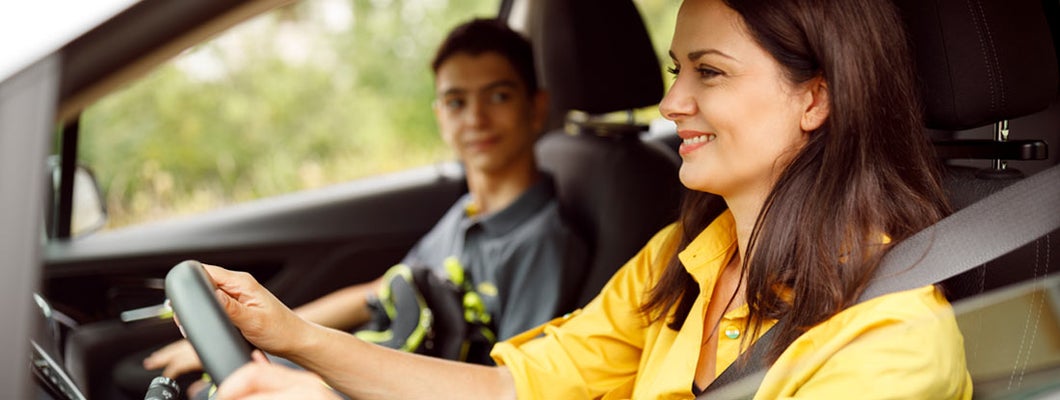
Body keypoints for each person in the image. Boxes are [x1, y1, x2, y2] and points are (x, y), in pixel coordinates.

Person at [201, 0, 975, 398]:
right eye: (677, 69)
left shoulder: (889, 343)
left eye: (709, 72)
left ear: (815, 97)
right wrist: (294, 337)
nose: (671, 103)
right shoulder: (683, 262)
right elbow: (511, 388)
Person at [140, 17, 588, 394]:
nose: (475, 118)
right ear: (439, 116)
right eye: (456, 101)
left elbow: (505, 386)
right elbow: (377, 290)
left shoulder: (544, 242)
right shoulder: (467, 216)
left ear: (536, 107)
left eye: (498, 96)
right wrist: (262, 334)